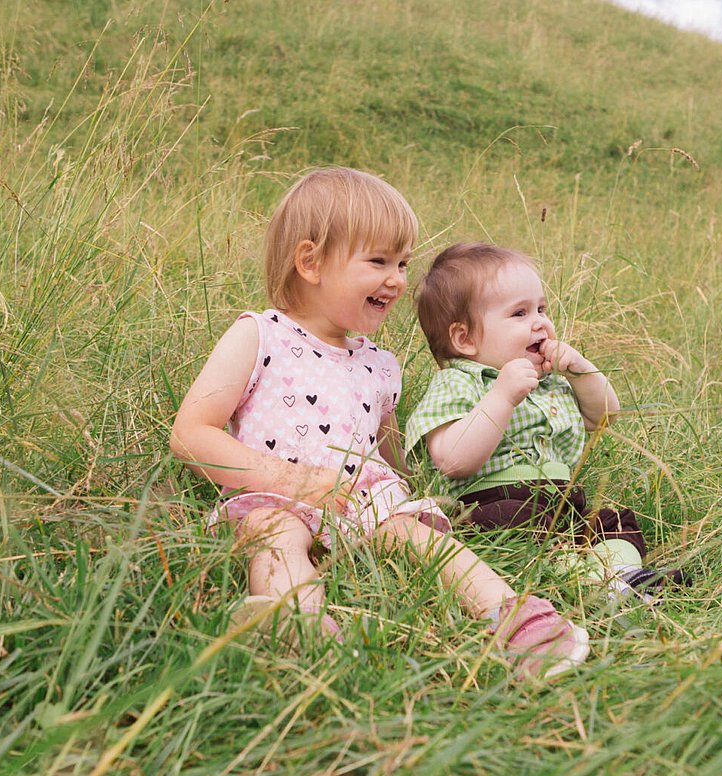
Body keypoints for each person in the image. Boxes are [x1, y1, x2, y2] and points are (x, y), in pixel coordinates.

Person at [169, 169, 587, 679]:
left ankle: (514, 616)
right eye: (379, 261)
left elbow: (385, 446)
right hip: (275, 492)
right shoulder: (260, 335)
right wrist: (290, 481)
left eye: (403, 262)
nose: (397, 279)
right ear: (310, 262)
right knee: (270, 533)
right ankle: (298, 623)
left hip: (363, 500)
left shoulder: (379, 362)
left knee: (417, 537)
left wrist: (412, 491)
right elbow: (191, 434)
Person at [405, 242, 689, 604]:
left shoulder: (549, 380)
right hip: (497, 504)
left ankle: (622, 574)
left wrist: (580, 370)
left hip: (564, 502)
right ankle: (594, 582)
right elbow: (452, 459)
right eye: (519, 313)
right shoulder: (459, 382)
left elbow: (605, 416)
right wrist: (502, 397)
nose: (540, 321)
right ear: (465, 338)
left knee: (612, 522)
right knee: (525, 528)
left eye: (541, 308)